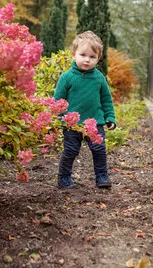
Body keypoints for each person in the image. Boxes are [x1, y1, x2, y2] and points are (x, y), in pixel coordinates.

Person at [54, 31, 116, 189]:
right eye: (83, 55)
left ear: (98, 58)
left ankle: (102, 176)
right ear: (74, 54)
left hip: (95, 122)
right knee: (71, 150)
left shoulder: (99, 78)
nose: (87, 60)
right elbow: (58, 101)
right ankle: (64, 178)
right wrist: (57, 119)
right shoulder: (67, 77)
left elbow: (106, 100)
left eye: (92, 57)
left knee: (99, 149)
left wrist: (110, 117)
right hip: (71, 124)